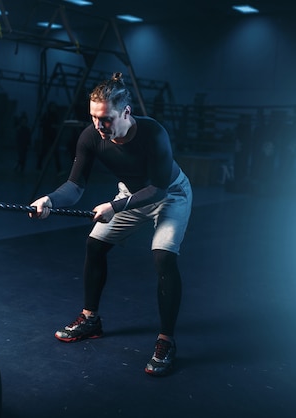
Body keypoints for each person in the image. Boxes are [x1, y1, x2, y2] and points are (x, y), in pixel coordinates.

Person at [29, 73, 193, 376]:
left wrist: (114, 207)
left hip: (170, 195)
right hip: (130, 196)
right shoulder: (91, 137)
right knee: (94, 245)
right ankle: (91, 319)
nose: (98, 125)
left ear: (126, 113)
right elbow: (75, 187)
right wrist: (49, 200)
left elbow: (157, 188)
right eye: (93, 117)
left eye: (106, 119)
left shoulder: (153, 133)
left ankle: (166, 340)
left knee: (163, 256)